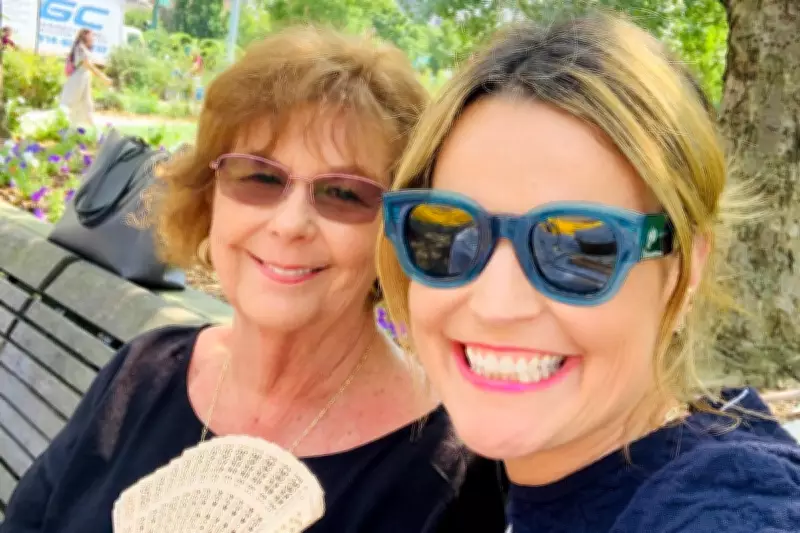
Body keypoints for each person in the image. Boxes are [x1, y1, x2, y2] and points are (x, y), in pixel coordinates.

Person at [0, 26, 506, 533]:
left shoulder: (446, 477)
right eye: (260, 177)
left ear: (396, 232)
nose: (289, 224)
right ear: (209, 197)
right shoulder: (140, 374)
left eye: (343, 193)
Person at [378, 14, 800, 533]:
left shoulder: (725, 508)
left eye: (579, 247)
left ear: (685, 268)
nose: (495, 304)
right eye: (450, 232)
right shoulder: (513, 472)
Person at [59, 28, 112, 128]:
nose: (93, 38)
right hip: (77, 79)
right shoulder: (80, 48)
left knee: (87, 105)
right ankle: (61, 127)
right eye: (91, 36)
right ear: (85, 36)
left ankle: (93, 131)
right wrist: (103, 77)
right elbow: (88, 65)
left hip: (84, 79)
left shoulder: (84, 48)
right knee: (69, 105)